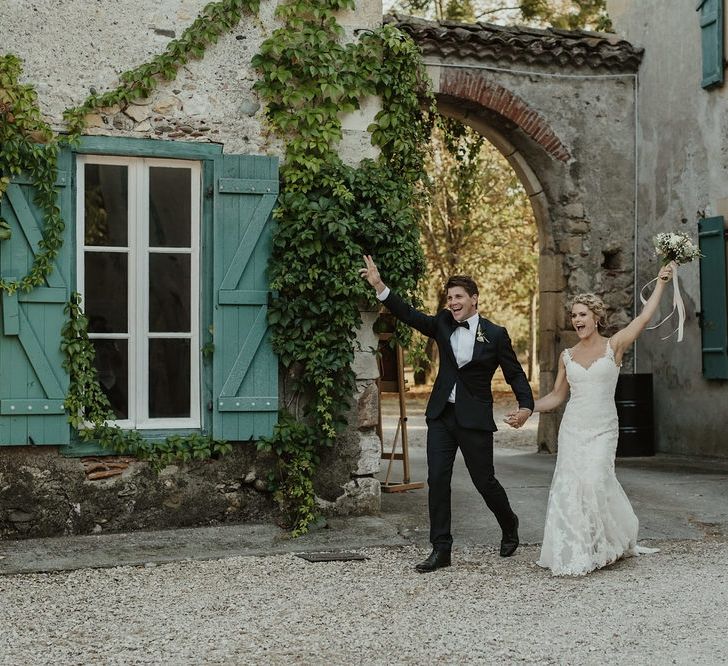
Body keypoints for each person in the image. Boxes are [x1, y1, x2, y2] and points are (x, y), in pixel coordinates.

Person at [360, 255, 534, 572]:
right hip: (441, 415)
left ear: (474, 300)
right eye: (450, 297)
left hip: (475, 419)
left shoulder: (495, 334)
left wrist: (525, 406)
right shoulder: (441, 322)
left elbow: (515, 375)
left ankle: (509, 524)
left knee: (485, 481)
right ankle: (441, 549)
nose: (453, 302)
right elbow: (410, 315)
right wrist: (380, 286)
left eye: (458, 297)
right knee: (438, 480)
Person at [507, 264, 673, 576]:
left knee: (596, 481)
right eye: (574, 316)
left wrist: (662, 283)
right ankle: (582, 549)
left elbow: (644, 318)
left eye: (583, 315)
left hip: (603, 429)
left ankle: (610, 542)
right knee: (572, 488)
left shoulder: (615, 345)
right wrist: (527, 410)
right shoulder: (567, 356)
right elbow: (557, 396)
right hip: (572, 429)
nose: (577, 320)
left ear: (596, 318)